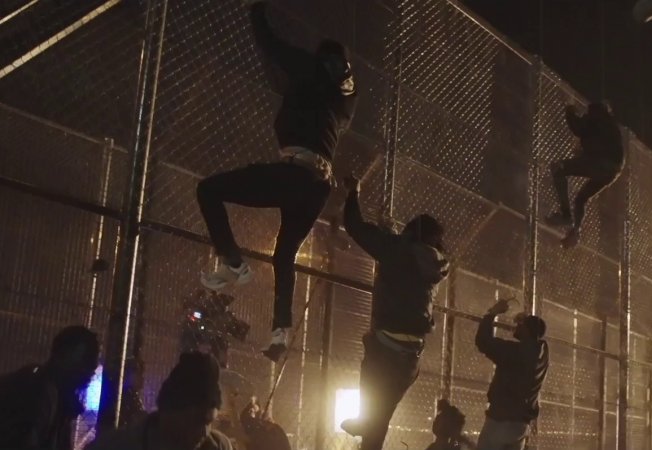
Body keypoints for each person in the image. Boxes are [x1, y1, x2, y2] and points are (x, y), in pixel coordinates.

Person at [196, 0, 357, 361]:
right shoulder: (343, 99)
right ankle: (281, 332)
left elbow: (270, 43)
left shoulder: (310, 71)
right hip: (317, 185)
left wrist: (256, 10)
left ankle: (232, 261)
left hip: (295, 173)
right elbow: (342, 91)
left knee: (208, 189)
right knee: (284, 254)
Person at [339, 174, 450, 450]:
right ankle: (366, 422)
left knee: (375, 423)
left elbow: (354, 226)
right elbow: (407, 256)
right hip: (411, 357)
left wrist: (354, 192)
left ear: (410, 233)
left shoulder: (397, 250)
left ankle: (366, 422)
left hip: (385, 349)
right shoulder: (436, 262)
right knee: (380, 421)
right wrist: (391, 233)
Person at [87, 352, 233, 450]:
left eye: (209, 422)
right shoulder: (116, 446)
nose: (204, 432)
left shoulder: (218, 445)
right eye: (197, 421)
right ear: (170, 411)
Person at [0, 325, 100, 450]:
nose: (91, 370)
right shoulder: (36, 393)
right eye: (87, 359)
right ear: (64, 355)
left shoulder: (55, 396)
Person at [545, 102, 624, 249]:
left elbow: (578, 128)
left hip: (601, 164)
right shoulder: (611, 126)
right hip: (612, 171)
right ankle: (575, 232)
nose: (586, 114)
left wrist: (570, 111)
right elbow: (598, 143)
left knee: (558, 169)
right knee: (581, 199)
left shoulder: (596, 117)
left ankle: (566, 215)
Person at [475, 299, 549, 450]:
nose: (516, 326)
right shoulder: (542, 354)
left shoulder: (515, 353)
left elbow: (483, 341)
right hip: (520, 426)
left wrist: (492, 313)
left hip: (500, 421)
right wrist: (528, 322)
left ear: (527, 330)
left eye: (520, 325)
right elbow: (534, 334)